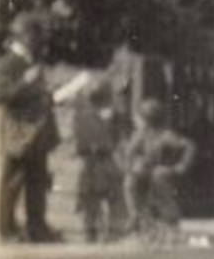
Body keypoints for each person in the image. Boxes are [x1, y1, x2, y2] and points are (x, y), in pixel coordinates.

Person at [0, 12, 61, 243]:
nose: (41, 41)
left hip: (37, 132)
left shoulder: (32, 61)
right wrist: (26, 82)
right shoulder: (9, 62)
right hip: (19, 133)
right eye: (37, 35)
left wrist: (51, 95)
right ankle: (6, 229)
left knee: (37, 180)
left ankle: (37, 227)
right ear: (24, 36)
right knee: (12, 181)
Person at [122, 98, 195, 244]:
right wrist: (133, 165)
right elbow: (128, 153)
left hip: (160, 173)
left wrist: (180, 166)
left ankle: (171, 226)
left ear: (148, 119)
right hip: (144, 173)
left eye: (139, 118)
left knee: (158, 178)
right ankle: (137, 219)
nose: (136, 121)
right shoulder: (140, 135)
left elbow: (189, 146)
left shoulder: (165, 135)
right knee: (130, 182)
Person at [73, 80, 130, 242]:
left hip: (89, 162)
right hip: (104, 160)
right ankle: (113, 229)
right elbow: (116, 139)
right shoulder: (109, 116)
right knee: (114, 195)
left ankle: (91, 229)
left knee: (90, 196)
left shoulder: (82, 115)